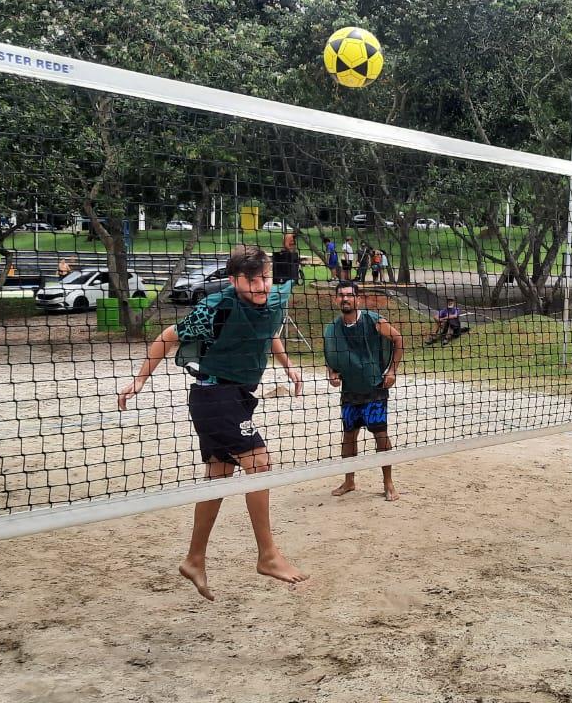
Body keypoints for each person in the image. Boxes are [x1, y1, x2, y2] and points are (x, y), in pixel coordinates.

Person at [117, 245, 308, 599]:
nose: (260, 286)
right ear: (235, 280)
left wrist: (288, 365)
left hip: (238, 397)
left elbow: (269, 331)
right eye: (251, 281)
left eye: (264, 278)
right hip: (213, 396)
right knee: (259, 463)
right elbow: (167, 337)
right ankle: (267, 555)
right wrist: (140, 380)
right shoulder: (216, 307)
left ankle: (194, 558)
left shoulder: (274, 300)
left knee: (219, 479)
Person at [324, 280, 404, 501]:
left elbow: (398, 339)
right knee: (349, 436)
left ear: (357, 298)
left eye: (349, 295)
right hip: (350, 391)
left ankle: (388, 483)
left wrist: (391, 371)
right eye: (341, 295)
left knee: (380, 435)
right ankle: (349, 481)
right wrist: (332, 373)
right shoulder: (332, 329)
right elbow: (332, 355)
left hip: (374, 388)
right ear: (336, 299)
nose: (345, 298)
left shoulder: (373, 320)